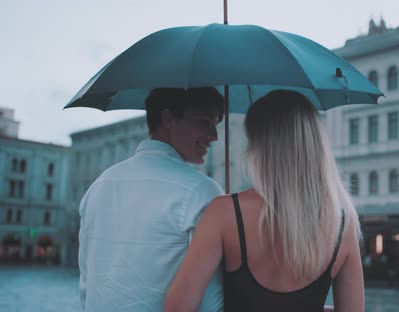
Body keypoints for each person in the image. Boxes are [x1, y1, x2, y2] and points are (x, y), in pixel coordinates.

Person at [164, 90, 365, 312]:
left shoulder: (224, 212)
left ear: (257, 146)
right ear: (315, 145)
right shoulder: (342, 224)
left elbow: (177, 307)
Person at [78, 87, 225, 311]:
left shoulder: (98, 187)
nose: (214, 136)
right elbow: (212, 301)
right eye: (204, 122)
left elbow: (87, 283)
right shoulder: (202, 192)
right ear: (168, 118)